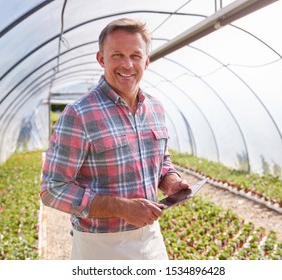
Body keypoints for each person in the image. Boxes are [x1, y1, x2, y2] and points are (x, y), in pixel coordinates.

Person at [40, 18, 189, 260]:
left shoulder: (155, 108)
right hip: (100, 247)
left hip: (151, 239)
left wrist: (171, 181)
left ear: (147, 60)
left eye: (136, 55)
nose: (127, 64)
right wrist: (120, 208)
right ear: (101, 59)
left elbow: (162, 161)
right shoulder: (79, 114)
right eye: (117, 55)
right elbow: (52, 189)